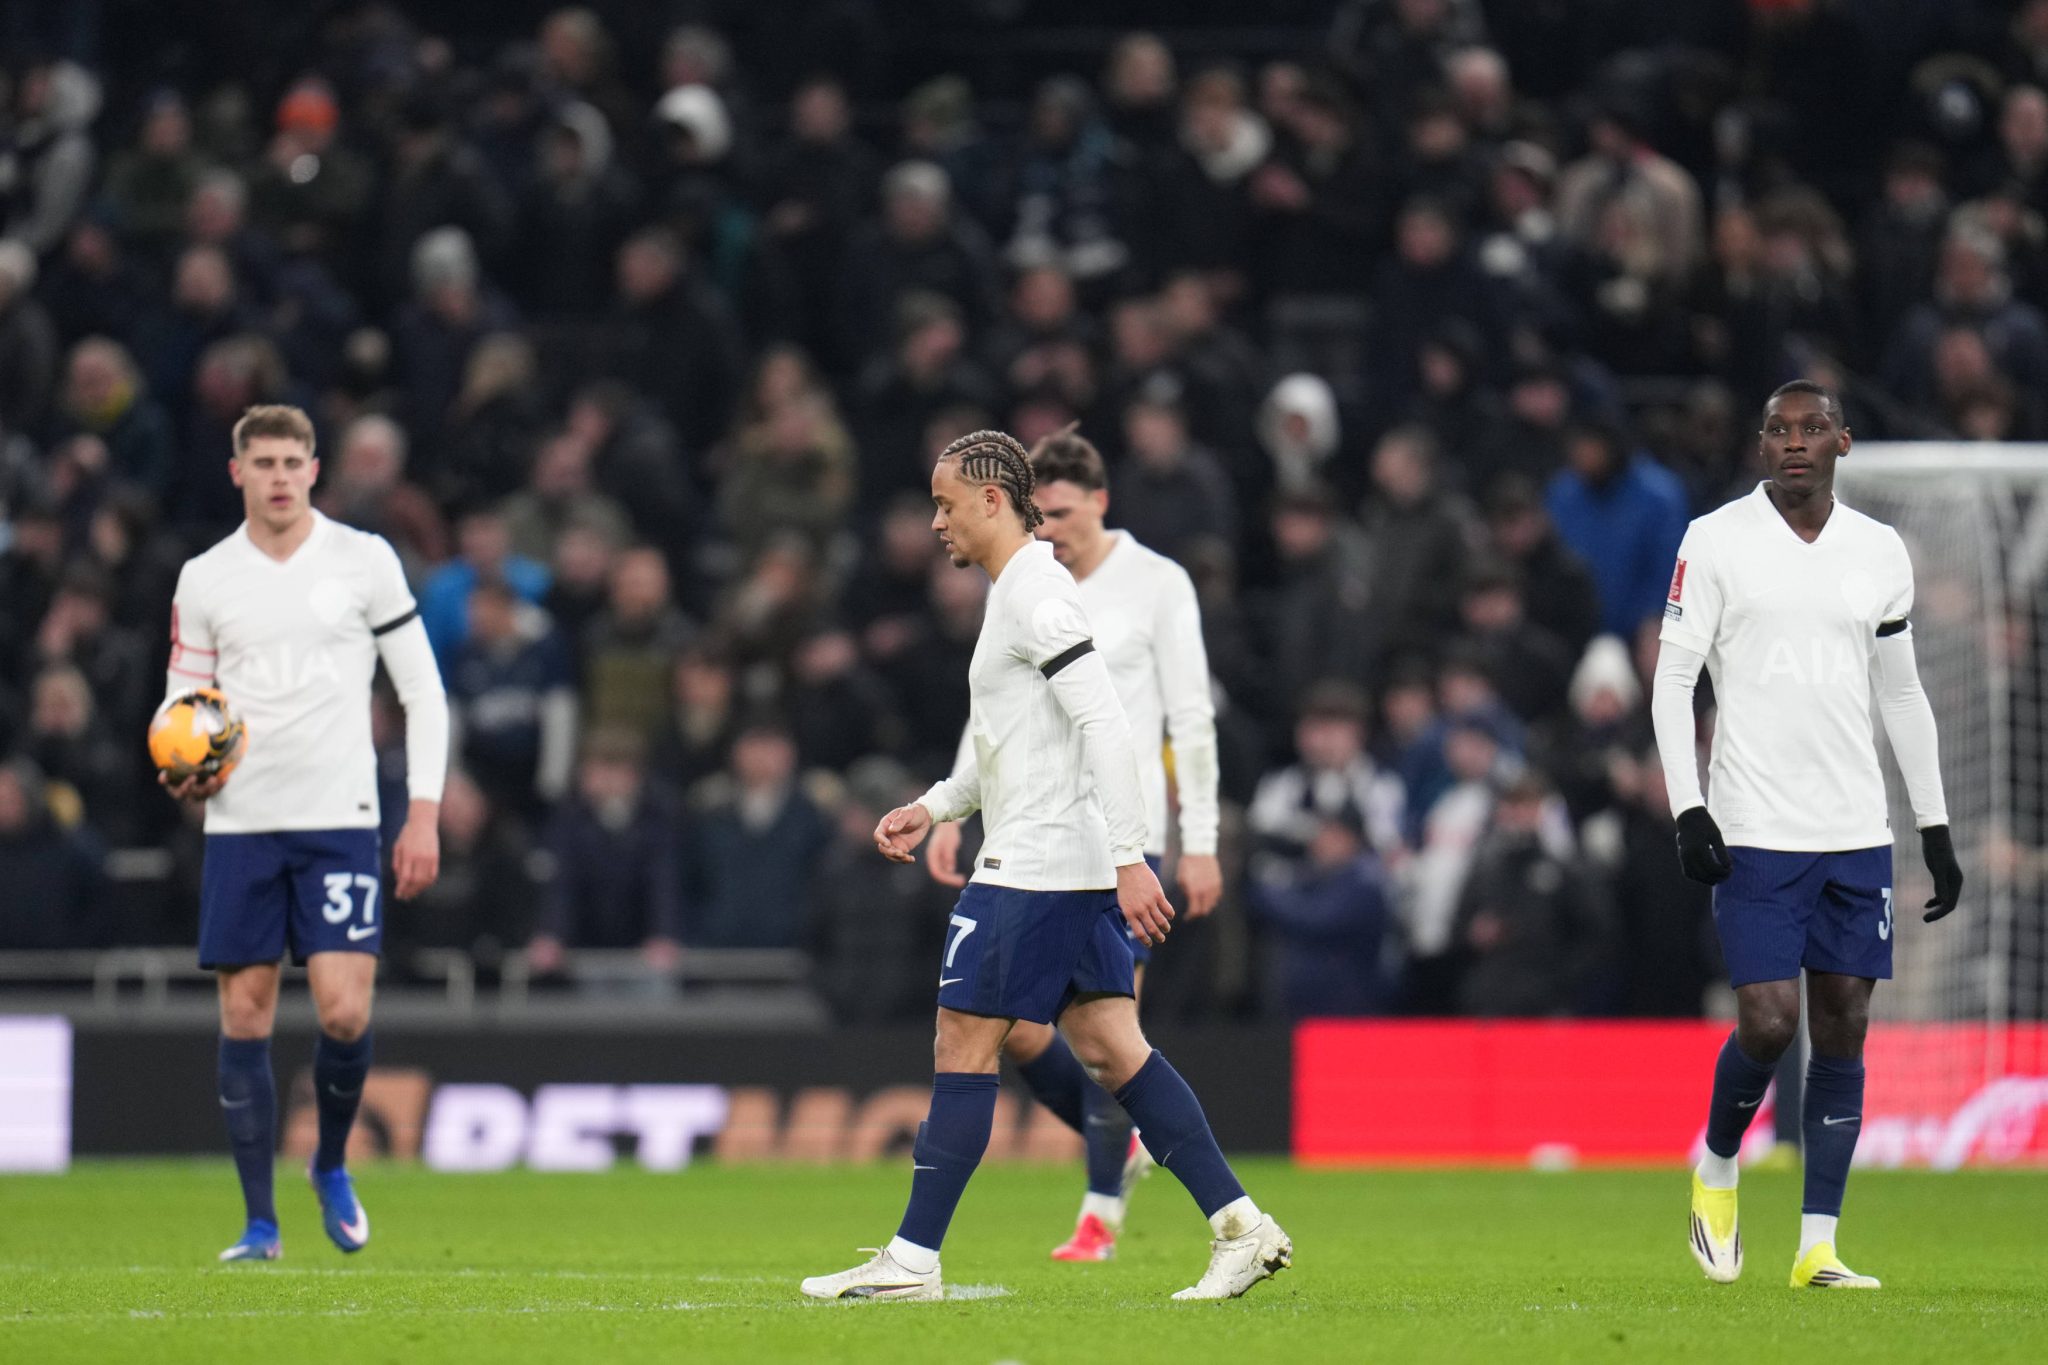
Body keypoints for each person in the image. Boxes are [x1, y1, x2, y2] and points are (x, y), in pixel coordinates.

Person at [801, 430, 1287, 1303]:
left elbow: (1108, 725)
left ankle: (913, 1258)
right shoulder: (1019, 593)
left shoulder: (1038, 598)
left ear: (993, 499)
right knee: (1112, 1047)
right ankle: (1243, 1227)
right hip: (1058, 859)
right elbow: (1017, 744)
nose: (936, 521)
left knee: (964, 1035)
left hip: (1036, 867)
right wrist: (937, 804)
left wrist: (1135, 856)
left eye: (947, 503)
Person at [1653, 381, 1963, 1290]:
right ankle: (1717, 1161)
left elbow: (1901, 693)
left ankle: (1817, 1246)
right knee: (1769, 1021)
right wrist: (1688, 808)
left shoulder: (1879, 551)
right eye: (1780, 430)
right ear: (1760, 448)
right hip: (1753, 825)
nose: (1796, 443)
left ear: (1844, 443)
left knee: (1845, 1027)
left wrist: (1934, 824)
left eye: (1813, 429)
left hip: (1854, 829)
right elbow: (1675, 680)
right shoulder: (1714, 540)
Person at [923, 425, 1223, 1261]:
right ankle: (1226, 1213)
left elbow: (1176, 720)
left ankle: (1097, 1205)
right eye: (1039, 511)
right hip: (1036, 822)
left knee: (1070, 1035)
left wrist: (1192, 840)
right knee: (1069, 1037)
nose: (1049, 525)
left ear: (1098, 501)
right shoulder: (1021, 588)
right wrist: (948, 806)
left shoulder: (1147, 585)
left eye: (1058, 511)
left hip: (1103, 841)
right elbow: (1002, 714)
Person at [161, 405, 448, 1262]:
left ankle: (328, 1161)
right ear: (237, 472)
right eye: (265, 462)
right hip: (243, 821)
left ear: (315, 470)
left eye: (294, 461)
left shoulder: (363, 560)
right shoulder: (206, 577)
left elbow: (422, 692)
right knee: (245, 1012)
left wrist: (423, 810)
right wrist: (183, 765)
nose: (280, 476)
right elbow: (183, 706)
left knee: (345, 1007)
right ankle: (259, 1224)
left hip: (342, 818)